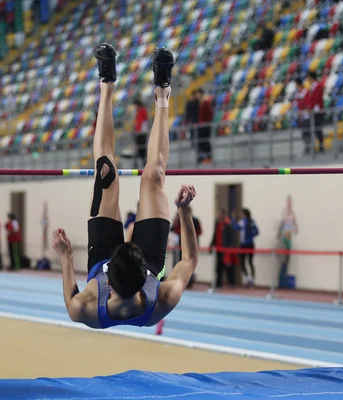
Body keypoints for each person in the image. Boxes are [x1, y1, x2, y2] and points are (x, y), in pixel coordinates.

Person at [52, 43, 199, 330]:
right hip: (150, 257)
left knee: (106, 171)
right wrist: (183, 210)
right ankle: (162, 94)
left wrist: (67, 259)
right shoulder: (164, 297)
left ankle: (106, 84)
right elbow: (190, 259)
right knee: (153, 175)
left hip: (102, 257)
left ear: (109, 283)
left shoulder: (86, 307)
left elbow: (71, 298)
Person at [209, 209, 237, 289]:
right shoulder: (217, 223)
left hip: (226, 249)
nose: (218, 216)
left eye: (219, 214)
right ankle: (218, 283)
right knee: (219, 267)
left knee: (229, 267)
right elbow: (215, 235)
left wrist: (229, 248)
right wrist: (211, 245)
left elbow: (231, 237)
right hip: (218, 249)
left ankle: (232, 283)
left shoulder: (228, 224)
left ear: (223, 215)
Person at [233, 208, 259, 287]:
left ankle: (250, 278)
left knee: (245, 262)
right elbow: (257, 232)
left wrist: (233, 219)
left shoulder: (244, 222)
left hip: (246, 244)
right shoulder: (251, 222)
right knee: (249, 262)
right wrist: (252, 235)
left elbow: (235, 227)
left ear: (244, 214)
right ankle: (250, 278)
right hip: (248, 244)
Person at [277, 195, 298, 288]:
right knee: (284, 259)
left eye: (291, 202)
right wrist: (278, 234)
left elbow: (295, 223)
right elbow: (282, 223)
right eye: (288, 202)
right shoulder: (284, 213)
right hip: (285, 236)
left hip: (289, 236)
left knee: (288, 259)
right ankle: (281, 278)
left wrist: (296, 228)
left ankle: (284, 278)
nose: (290, 204)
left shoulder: (293, 213)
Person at [132, 97, 149, 168]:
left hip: (141, 133)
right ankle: (141, 163)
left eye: (135, 105)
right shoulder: (138, 112)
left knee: (142, 149)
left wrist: (142, 131)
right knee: (139, 149)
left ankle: (145, 163)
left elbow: (145, 121)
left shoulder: (143, 111)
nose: (135, 107)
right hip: (138, 133)